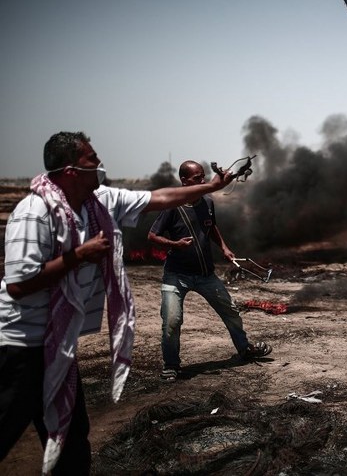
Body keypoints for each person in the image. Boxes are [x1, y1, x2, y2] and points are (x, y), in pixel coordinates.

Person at [0, 132, 237, 474]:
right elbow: (19, 284)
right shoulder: (33, 213)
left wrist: (212, 187)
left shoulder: (100, 201)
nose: (99, 163)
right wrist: (78, 255)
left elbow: (161, 197)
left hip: (58, 346)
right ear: (70, 171)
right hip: (19, 347)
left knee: (72, 441)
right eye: (91, 158)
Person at [147, 160, 271, 382]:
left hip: (205, 275)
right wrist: (175, 244)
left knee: (230, 311)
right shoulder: (173, 206)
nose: (202, 180)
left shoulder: (207, 201)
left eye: (203, 176)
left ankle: (244, 349)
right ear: (184, 181)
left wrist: (224, 247)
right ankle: (171, 365)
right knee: (172, 321)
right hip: (176, 276)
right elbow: (152, 236)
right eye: (197, 178)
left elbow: (210, 226)